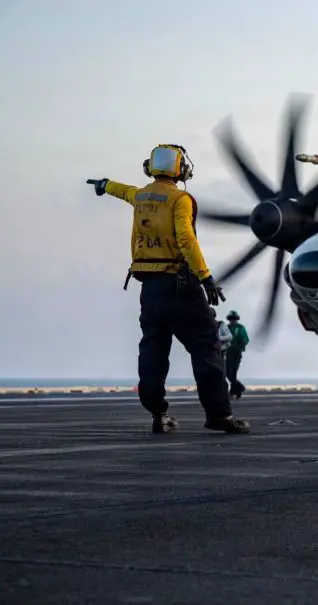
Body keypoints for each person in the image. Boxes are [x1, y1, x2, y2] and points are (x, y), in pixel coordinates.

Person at [87, 144, 250, 435]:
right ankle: (219, 415)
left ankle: (159, 414)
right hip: (180, 285)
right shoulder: (180, 199)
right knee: (206, 347)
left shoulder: (141, 196)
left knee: (153, 350)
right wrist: (206, 277)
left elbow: (122, 190)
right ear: (182, 170)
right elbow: (186, 239)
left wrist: (104, 185)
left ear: (150, 167)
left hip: (149, 290)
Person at [224, 310, 249, 400]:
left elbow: (245, 339)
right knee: (227, 373)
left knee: (233, 373)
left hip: (236, 354)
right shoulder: (226, 328)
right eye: (231, 319)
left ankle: (233, 392)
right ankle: (240, 388)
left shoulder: (241, 328)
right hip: (227, 354)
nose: (232, 320)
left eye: (234, 319)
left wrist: (239, 347)